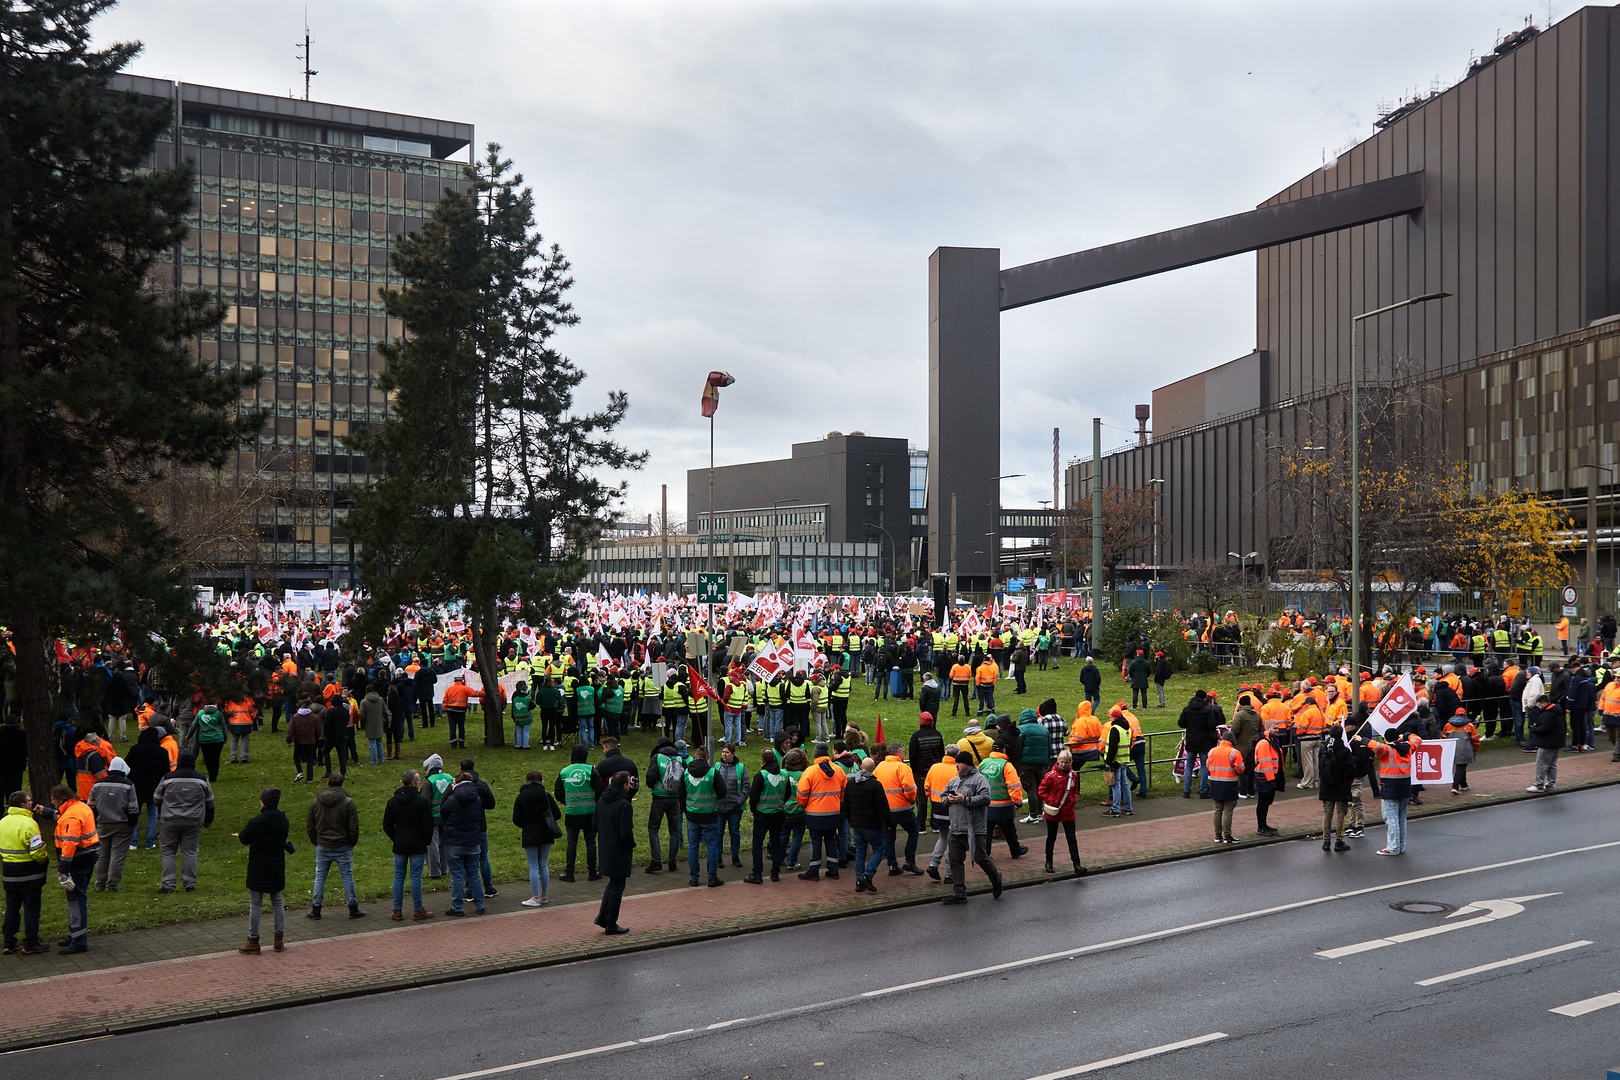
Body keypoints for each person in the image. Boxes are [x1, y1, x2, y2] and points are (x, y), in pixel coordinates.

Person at [941, 752, 1002, 905]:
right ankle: (960, 892)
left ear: (967, 764)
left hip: (974, 830)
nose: (956, 765)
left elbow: (986, 799)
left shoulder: (980, 780)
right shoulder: (954, 781)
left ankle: (996, 879)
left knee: (981, 858)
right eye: (956, 763)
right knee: (955, 860)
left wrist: (965, 799)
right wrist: (947, 799)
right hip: (955, 829)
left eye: (959, 763)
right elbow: (942, 797)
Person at [237, 788, 293, 954]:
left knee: (255, 903)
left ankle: (253, 940)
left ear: (264, 802)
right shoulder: (283, 820)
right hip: (276, 865)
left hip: (259, 866)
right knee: (277, 901)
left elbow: (244, 838)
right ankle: (278, 940)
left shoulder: (257, 822)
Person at [305, 772, 365, 920]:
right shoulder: (348, 802)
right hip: (343, 845)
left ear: (328, 783)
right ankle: (353, 908)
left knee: (320, 877)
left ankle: (316, 909)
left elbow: (310, 825)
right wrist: (352, 842)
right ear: (342, 784)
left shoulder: (316, 801)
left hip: (323, 844)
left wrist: (316, 840)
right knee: (347, 877)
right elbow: (353, 826)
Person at [153, 749, 214, 893]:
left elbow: (156, 799)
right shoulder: (202, 779)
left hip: (170, 820)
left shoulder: (168, 778)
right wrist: (208, 820)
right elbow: (210, 803)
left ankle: (168, 884)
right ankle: (189, 884)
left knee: (168, 851)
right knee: (190, 852)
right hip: (193, 821)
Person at [1, 791, 50, 955]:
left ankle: (9, 942)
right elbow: (37, 851)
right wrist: (43, 861)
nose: (32, 803)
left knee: (12, 908)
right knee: (31, 908)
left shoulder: (3, 822)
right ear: (23, 805)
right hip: (29, 872)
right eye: (30, 800)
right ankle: (30, 943)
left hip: (9, 871)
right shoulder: (29, 823)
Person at [382, 770, 434, 920]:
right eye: (418, 781)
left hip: (400, 843)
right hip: (417, 843)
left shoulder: (392, 802)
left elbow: (387, 825)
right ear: (413, 783)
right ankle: (418, 909)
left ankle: (397, 910)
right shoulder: (422, 802)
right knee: (415, 877)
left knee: (398, 877)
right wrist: (425, 840)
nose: (419, 783)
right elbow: (428, 824)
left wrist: (396, 837)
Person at [796, 742, 847, 881]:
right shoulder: (838, 770)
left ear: (816, 754)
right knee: (831, 840)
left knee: (816, 841)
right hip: (834, 812)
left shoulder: (810, 771)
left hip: (815, 814)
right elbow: (844, 791)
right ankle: (833, 870)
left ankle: (813, 871)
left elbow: (801, 794)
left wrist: (805, 804)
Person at [512, 768, 563, 908]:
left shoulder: (521, 797)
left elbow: (516, 819)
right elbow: (557, 814)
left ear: (526, 781)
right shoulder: (546, 795)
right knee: (544, 864)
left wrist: (526, 825)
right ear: (541, 781)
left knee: (533, 866)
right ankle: (544, 895)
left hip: (530, 833)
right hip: (546, 832)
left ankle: (535, 897)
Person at [594, 771, 637, 935]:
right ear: (625, 785)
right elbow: (625, 832)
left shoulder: (602, 800)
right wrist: (631, 844)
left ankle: (603, 917)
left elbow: (595, 823)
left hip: (605, 847)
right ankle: (611, 922)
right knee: (617, 886)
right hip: (619, 850)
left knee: (612, 884)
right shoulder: (624, 804)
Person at [87, 756, 137, 892]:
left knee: (102, 855)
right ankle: (112, 885)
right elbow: (133, 807)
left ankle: (99, 884)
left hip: (102, 824)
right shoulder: (128, 785)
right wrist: (132, 823)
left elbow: (90, 805)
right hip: (122, 824)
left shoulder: (98, 784)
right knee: (117, 855)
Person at [440, 771, 487, 915]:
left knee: (457, 877)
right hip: (472, 841)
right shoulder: (477, 799)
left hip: (454, 842)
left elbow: (443, 812)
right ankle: (480, 905)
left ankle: (458, 907)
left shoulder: (452, 800)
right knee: (474, 874)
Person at [555, 744, 603, 882]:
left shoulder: (564, 772)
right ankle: (592, 872)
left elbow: (558, 793)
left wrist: (568, 802)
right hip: (589, 813)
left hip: (571, 813)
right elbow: (600, 791)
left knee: (571, 843)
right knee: (590, 842)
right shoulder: (590, 771)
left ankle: (569, 873)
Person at [843, 756, 891, 893]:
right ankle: (867, 875)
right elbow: (883, 806)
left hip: (856, 823)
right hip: (872, 824)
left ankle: (859, 881)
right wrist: (888, 822)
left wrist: (851, 820)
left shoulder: (851, 783)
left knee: (860, 852)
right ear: (873, 768)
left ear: (860, 767)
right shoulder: (875, 785)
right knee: (879, 849)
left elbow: (846, 804)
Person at [682, 746, 728, 887]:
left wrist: (687, 810)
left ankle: (694, 878)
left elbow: (680, 794)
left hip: (692, 815)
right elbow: (723, 792)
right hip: (709, 814)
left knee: (693, 847)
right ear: (707, 757)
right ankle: (712, 877)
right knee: (712, 846)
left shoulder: (686, 773)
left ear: (695, 756)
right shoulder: (713, 773)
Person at [873, 742, 922, 875]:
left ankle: (892, 865)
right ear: (899, 752)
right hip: (902, 808)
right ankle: (909, 861)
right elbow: (910, 789)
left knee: (889, 836)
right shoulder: (902, 767)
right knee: (913, 832)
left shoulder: (880, 766)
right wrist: (911, 800)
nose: (904, 754)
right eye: (904, 752)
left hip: (885, 810)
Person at [1036, 750, 1085, 876]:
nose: (1063, 764)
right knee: (1051, 837)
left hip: (1068, 811)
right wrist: (1053, 801)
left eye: (1066, 762)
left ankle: (1076, 864)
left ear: (1070, 763)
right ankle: (1049, 862)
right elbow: (1041, 791)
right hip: (1054, 811)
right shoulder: (1050, 775)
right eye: (1062, 762)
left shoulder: (1073, 775)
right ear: (1058, 761)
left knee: (1072, 838)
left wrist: (1073, 800)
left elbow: (1075, 790)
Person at [1370, 733, 1419, 855]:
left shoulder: (1386, 750)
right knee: (1401, 818)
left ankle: (1393, 847)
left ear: (1385, 739)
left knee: (1391, 819)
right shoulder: (1408, 747)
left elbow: (1374, 745)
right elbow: (1417, 739)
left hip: (1390, 788)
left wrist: (1362, 739)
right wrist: (1407, 735)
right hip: (1405, 787)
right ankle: (1401, 846)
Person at [744, 749, 788, 884]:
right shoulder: (784, 774)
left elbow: (754, 796)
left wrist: (754, 811)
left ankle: (757, 874)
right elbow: (787, 794)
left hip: (762, 816)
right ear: (775, 759)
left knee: (757, 845)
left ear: (763, 760)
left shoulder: (761, 776)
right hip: (778, 814)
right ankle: (775, 873)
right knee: (776, 843)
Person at [645, 736, 684, 874]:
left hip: (659, 798)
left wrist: (652, 786)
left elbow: (651, 776)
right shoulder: (679, 759)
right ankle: (672, 862)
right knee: (674, 831)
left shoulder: (657, 758)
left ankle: (656, 861)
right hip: (675, 799)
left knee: (653, 829)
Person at [125, 724, 167, 851]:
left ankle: (133, 841)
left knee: (135, 813)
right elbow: (165, 771)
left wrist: (132, 776)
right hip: (154, 786)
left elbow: (126, 766)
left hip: (137, 785)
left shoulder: (136, 749)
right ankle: (150, 842)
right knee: (152, 813)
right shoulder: (162, 752)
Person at [1316, 724, 1356, 852]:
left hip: (1326, 786)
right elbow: (1350, 770)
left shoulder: (1323, 749)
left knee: (1327, 813)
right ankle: (1339, 840)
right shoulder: (1344, 751)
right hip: (1341, 786)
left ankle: (1326, 841)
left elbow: (1320, 768)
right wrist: (1349, 780)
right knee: (1341, 813)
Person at [1206, 725, 1244, 844]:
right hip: (1229, 784)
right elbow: (1240, 769)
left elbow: (1208, 766)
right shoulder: (1234, 752)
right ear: (1232, 741)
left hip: (1215, 783)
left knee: (1217, 810)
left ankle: (1217, 836)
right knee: (1228, 810)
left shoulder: (1212, 751)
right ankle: (1227, 836)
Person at [1178, 690, 1217, 799]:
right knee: (1204, 765)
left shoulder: (1187, 709)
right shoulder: (1207, 711)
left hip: (1191, 741)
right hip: (1205, 742)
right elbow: (1211, 726)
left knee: (1189, 765)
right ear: (1205, 698)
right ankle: (1203, 790)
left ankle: (1186, 791)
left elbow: (1181, 723)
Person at [715, 744, 748, 870]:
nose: (724, 754)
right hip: (719, 807)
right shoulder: (717, 766)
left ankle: (735, 857)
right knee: (718, 833)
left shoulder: (741, 767)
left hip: (734, 807)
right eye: (723, 752)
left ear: (733, 753)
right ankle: (718, 857)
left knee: (734, 832)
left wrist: (739, 801)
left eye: (727, 752)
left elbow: (746, 785)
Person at [1528, 694, 1566, 793]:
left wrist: (1534, 729)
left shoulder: (1548, 714)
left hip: (1547, 742)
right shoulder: (1556, 711)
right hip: (1556, 742)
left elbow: (1545, 729)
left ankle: (1538, 785)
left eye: (1539, 705)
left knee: (1541, 764)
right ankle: (1551, 784)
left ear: (1544, 703)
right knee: (1552, 764)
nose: (1539, 707)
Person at [1102, 707, 1133, 817]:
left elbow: (1112, 747)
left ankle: (1115, 809)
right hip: (1124, 759)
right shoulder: (1127, 728)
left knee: (1116, 785)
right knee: (1125, 784)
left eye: (1110, 717)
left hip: (1116, 761)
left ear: (1114, 718)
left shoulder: (1115, 729)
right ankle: (1128, 808)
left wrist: (1108, 761)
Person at [286, 704, 321, 783]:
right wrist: (316, 739)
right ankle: (310, 778)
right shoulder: (314, 717)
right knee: (309, 759)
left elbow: (291, 731)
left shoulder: (295, 717)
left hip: (299, 741)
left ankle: (300, 771)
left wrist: (289, 740)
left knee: (296, 757)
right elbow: (318, 730)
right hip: (310, 741)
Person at [193, 701, 226, 781]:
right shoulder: (218, 714)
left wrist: (188, 735)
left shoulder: (200, 713)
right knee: (216, 758)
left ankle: (210, 773)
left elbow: (194, 725)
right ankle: (213, 776)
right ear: (215, 704)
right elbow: (223, 726)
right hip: (218, 739)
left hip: (204, 740)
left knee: (208, 758)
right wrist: (225, 738)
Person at [361, 682, 388, 767]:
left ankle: (374, 761)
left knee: (372, 742)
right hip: (379, 723)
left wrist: (362, 723)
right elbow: (385, 711)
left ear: (366, 691)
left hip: (369, 724)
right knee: (379, 741)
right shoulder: (380, 700)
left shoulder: (364, 702)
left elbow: (362, 714)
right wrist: (387, 720)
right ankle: (381, 758)